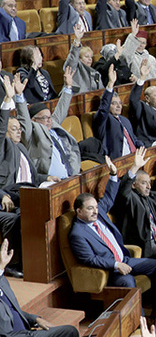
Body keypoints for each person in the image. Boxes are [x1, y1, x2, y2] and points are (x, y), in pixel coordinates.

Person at [69, 157, 156, 311]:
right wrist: (115, 265)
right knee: (128, 283)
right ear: (79, 211)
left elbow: (109, 197)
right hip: (112, 270)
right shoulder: (78, 234)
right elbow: (90, 259)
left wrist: (113, 174)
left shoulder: (98, 214)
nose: (95, 211)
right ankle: (139, 322)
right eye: (90, 209)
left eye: (95, 207)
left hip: (126, 259)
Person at [0, 239, 79, 337]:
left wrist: (36, 319)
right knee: (69, 332)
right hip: (14, 335)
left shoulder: (1, 279)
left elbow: (13, 310)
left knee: (68, 331)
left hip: (26, 331)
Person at [15, 69, 80, 178]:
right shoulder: (32, 132)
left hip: (71, 176)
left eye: (50, 117)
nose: (49, 120)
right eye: (45, 118)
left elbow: (61, 109)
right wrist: (19, 96)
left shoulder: (52, 124)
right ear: (34, 120)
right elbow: (24, 119)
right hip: (50, 182)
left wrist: (68, 87)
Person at [113, 146, 156, 261]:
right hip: (146, 246)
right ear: (134, 185)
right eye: (144, 183)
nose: (149, 187)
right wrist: (135, 167)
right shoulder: (131, 199)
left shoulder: (149, 198)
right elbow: (123, 191)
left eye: (149, 183)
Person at [0, 76, 33, 278]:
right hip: (5, 199)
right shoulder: (3, 145)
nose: (18, 132)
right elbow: (0, 128)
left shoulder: (19, 146)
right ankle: (14, 262)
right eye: (14, 129)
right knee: (16, 218)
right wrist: (7, 100)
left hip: (20, 195)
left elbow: (26, 127)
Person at [93, 66, 145, 159]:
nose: (119, 106)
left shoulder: (125, 120)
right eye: (114, 103)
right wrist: (110, 84)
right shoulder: (103, 120)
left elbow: (133, 138)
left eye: (120, 103)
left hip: (135, 157)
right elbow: (103, 109)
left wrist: (141, 146)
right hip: (119, 160)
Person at [63, 24, 104, 94]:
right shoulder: (75, 70)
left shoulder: (96, 73)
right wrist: (77, 40)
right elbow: (72, 60)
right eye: (86, 56)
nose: (90, 59)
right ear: (79, 58)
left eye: (91, 57)